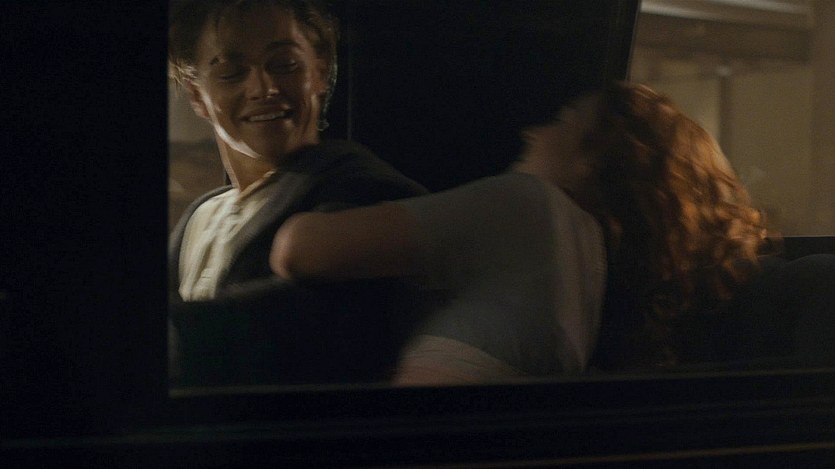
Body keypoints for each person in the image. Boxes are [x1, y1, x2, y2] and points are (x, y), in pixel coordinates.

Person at [269, 81, 771, 385]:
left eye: (561, 122)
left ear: (593, 159)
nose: (533, 133)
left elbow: (300, 250)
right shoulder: (592, 273)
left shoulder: (530, 206)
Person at [167, 0, 428, 386]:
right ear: (196, 95)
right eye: (231, 73)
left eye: (285, 64)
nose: (264, 89)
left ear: (319, 71)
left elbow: (317, 319)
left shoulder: (363, 190)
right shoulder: (200, 216)